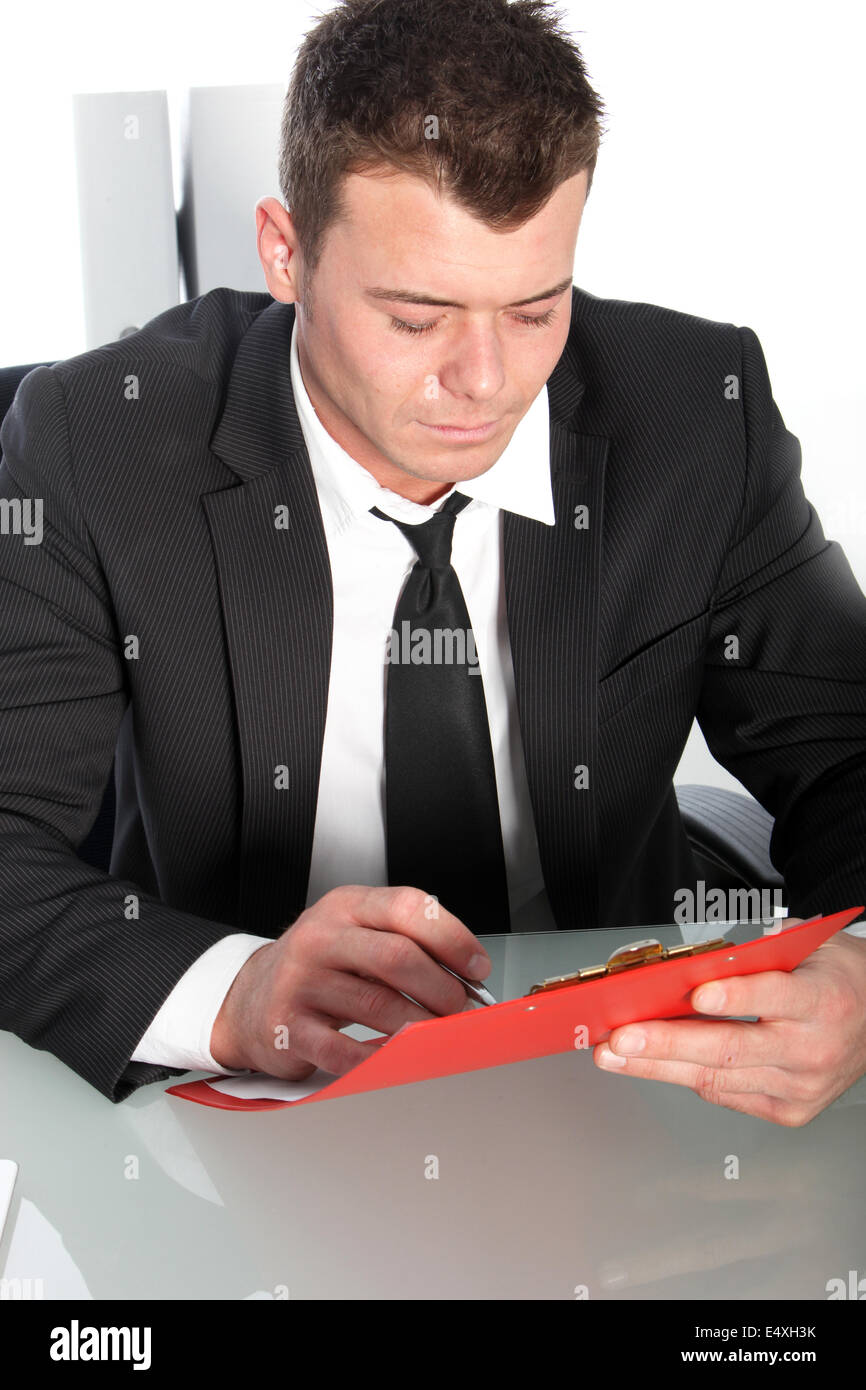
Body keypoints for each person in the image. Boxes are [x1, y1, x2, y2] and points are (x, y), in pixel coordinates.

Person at [1, 0, 864, 1123]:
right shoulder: (95, 437)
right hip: (244, 1099)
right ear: (286, 252)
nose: (486, 381)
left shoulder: (698, 415)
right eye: (415, 317)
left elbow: (846, 754)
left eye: (533, 308)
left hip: (609, 1074)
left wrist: (857, 978)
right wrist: (231, 992)